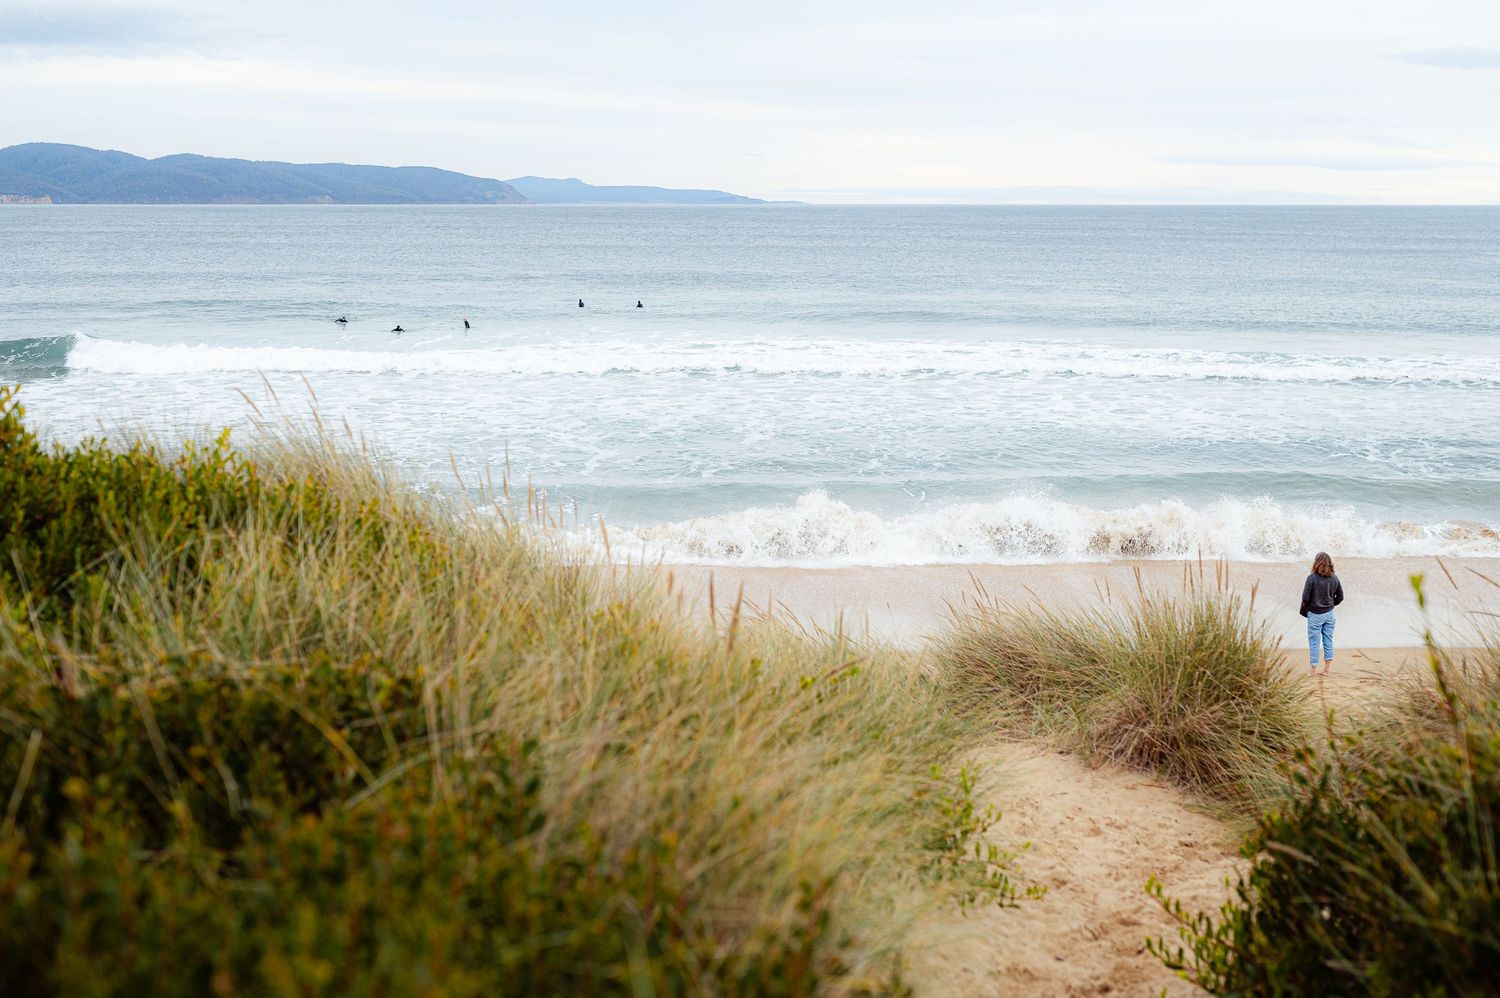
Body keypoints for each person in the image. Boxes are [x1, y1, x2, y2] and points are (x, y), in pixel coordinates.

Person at [1300, 552, 1344, 676]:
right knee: (1328, 640)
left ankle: (1313, 670)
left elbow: (1305, 598)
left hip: (1315, 614)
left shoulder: (1312, 578)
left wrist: (1310, 609)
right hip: (1330, 614)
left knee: (1314, 641)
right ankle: (1326, 670)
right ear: (1329, 563)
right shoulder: (1334, 578)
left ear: (1316, 562)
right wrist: (1330, 604)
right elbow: (1340, 597)